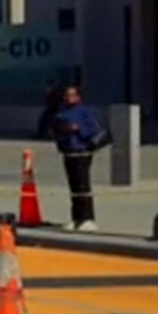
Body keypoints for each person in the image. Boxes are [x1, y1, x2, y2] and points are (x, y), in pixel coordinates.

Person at [53, 85, 105, 232]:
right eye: (67, 95)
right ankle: (76, 218)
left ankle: (88, 218)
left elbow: (94, 129)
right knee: (74, 186)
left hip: (82, 152)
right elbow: (56, 131)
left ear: (78, 97)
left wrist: (78, 128)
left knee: (83, 185)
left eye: (72, 95)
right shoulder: (61, 113)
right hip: (69, 152)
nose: (69, 98)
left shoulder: (85, 111)